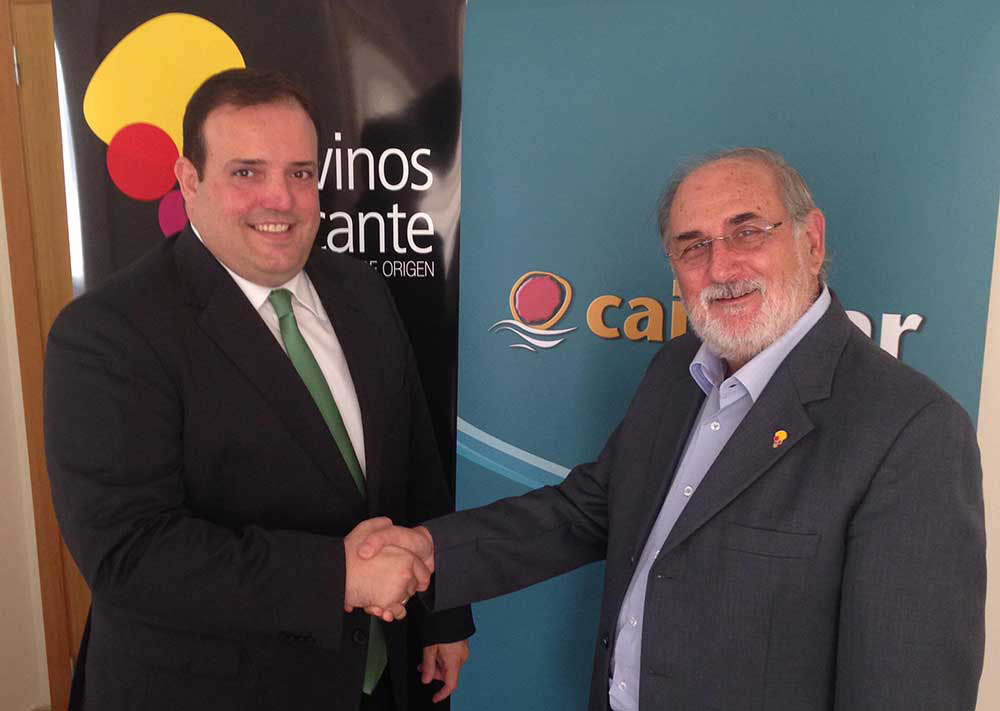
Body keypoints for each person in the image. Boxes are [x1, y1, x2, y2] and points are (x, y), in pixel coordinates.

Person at [358, 147, 986, 710]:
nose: (721, 267)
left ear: (812, 240)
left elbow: (906, 687)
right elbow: (587, 511)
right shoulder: (675, 370)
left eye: (747, 232)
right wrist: (428, 552)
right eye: (693, 246)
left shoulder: (912, 432)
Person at [43, 68, 473, 711]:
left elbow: (414, 464)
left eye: (300, 173)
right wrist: (338, 577)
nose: (281, 199)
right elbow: (130, 554)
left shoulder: (359, 288)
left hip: (382, 676)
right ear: (189, 181)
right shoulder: (109, 333)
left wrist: (442, 614)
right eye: (246, 172)